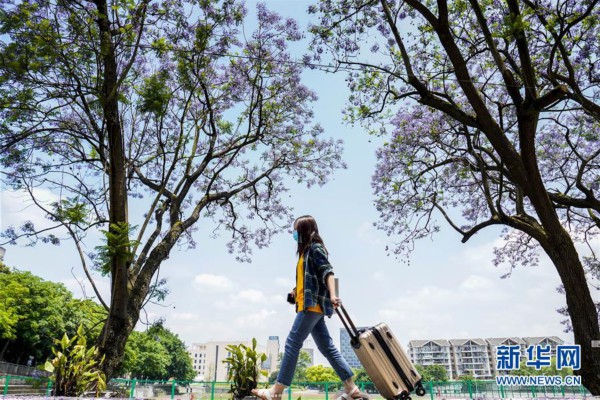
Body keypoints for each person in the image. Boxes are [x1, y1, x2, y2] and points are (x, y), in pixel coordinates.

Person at [252, 215, 369, 400]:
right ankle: (352, 389)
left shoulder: (315, 248)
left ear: (305, 230)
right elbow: (308, 280)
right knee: (327, 348)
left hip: (312, 305)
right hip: (307, 304)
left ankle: (276, 391)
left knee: (292, 344)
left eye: (296, 229)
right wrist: (294, 292)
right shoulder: (304, 253)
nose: (294, 233)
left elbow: (328, 272)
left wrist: (332, 294)